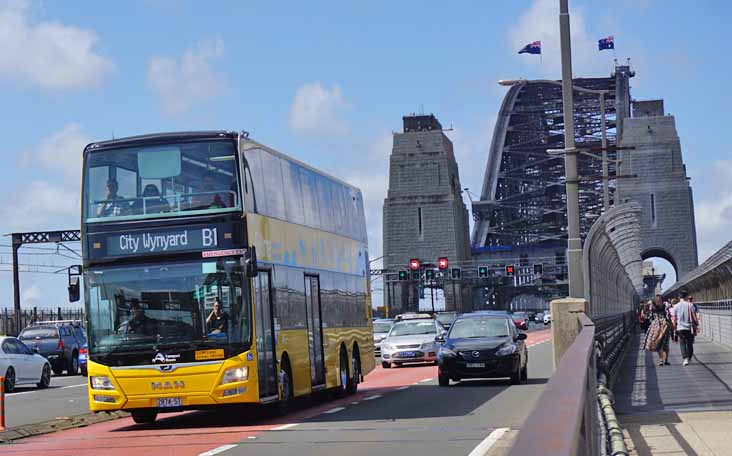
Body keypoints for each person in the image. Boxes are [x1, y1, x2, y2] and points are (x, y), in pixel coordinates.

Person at [672, 291, 699, 366]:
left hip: (680, 328)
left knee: (682, 342)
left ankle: (685, 358)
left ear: (679, 297)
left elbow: (674, 319)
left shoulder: (675, 306)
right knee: (689, 343)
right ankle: (689, 357)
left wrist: (674, 328)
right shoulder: (690, 305)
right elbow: (694, 316)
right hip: (689, 327)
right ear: (686, 297)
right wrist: (697, 324)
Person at [644, 294, 671, 366]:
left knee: (665, 344)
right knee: (659, 343)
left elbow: (668, 318)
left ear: (662, 301)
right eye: (657, 301)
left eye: (659, 301)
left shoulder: (666, 307)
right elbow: (650, 317)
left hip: (665, 327)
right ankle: (662, 360)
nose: (658, 302)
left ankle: (665, 360)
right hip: (657, 327)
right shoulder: (653, 308)